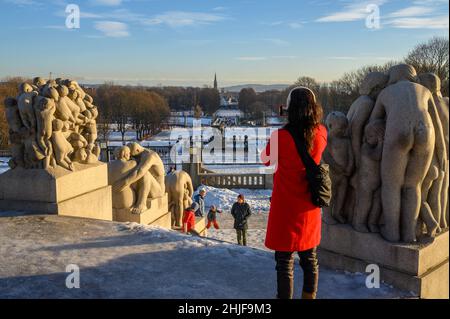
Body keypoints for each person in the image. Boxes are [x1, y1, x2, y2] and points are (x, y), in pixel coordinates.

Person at [261, 87, 327, 300]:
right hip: (308, 206)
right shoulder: (321, 133)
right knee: (310, 259)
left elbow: (266, 159)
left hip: (285, 208)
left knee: (284, 263)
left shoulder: (280, 137)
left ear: (289, 109)